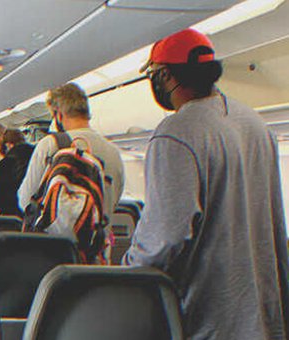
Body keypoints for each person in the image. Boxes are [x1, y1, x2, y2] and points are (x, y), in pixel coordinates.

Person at [123, 29, 288, 340]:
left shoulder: (176, 132)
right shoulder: (255, 123)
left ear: (168, 77)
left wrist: (126, 268)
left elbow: (165, 239)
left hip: (210, 320)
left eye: (155, 75)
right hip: (264, 318)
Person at [18, 83, 124, 229]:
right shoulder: (113, 152)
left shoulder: (50, 145)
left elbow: (25, 200)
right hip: (95, 246)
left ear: (58, 115)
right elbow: (113, 202)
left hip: (52, 245)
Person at [0, 129, 34, 216]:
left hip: (10, 218)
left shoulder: (4, 164)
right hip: (31, 215)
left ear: (8, 145)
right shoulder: (35, 158)